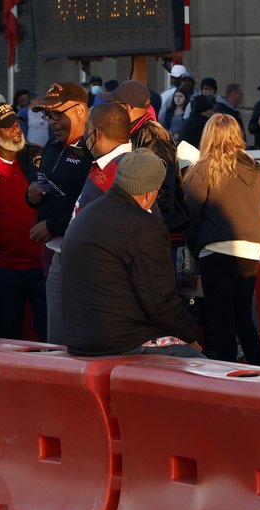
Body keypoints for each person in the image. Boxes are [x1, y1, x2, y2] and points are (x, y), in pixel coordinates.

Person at [56, 149, 202, 358]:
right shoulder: (143, 226)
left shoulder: (86, 214)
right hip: (123, 341)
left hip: (79, 340)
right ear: (149, 194)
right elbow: (160, 302)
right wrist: (190, 334)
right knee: (204, 368)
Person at [183, 114, 260, 365]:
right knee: (244, 319)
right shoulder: (252, 168)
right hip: (250, 249)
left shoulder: (204, 169)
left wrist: (195, 249)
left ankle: (226, 377)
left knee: (222, 322)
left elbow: (190, 215)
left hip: (215, 249)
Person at [44, 102, 134, 332]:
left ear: (96, 134)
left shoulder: (125, 171)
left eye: (86, 130)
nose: (83, 136)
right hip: (76, 265)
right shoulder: (103, 164)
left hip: (95, 277)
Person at [0, 102, 47, 340]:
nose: (16, 129)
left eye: (16, 123)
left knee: (49, 337)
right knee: (3, 340)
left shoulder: (38, 156)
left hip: (42, 267)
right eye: (7, 126)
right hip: (0, 268)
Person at [27, 81, 95, 341]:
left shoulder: (94, 150)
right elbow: (47, 187)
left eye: (58, 114)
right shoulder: (52, 146)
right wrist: (31, 194)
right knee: (55, 335)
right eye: (49, 116)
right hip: (55, 251)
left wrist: (53, 225)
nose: (53, 122)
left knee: (82, 334)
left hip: (85, 254)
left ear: (81, 110)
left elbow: (95, 207)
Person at [108, 80, 187, 235]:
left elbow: (161, 187)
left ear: (126, 108)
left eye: (114, 105)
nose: (110, 110)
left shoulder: (153, 135)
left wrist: (147, 227)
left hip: (158, 228)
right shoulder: (137, 131)